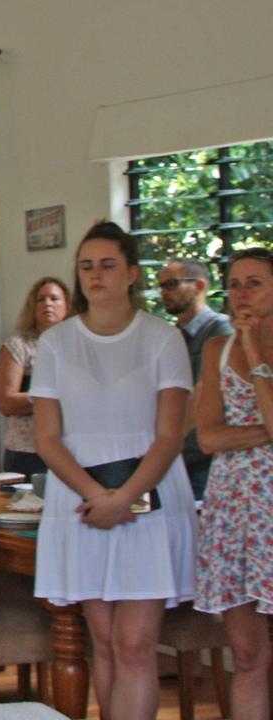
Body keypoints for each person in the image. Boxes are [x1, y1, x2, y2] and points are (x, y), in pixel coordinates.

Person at [31, 221, 196, 720]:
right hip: (78, 499)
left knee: (134, 644)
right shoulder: (57, 342)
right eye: (86, 267)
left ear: (131, 274)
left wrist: (123, 498)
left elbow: (170, 434)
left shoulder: (163, 338)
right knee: (101, 642)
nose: (95, 276)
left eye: (107, 266)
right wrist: (95, 497)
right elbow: (46, 437)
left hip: (150, 496)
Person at [194, 246, 273, 719]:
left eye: (255, 283)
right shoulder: (215, 349)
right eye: (236, 283)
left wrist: (254, 352)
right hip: (233, 513)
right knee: (247, 655)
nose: (242, 293)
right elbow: (208, 436)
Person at [159, 257, 233, 500]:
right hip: (174, 455)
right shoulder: (171, 336)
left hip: (205, 460)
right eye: (161, 286)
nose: (164, 292)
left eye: (171, 284)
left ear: (199, 286)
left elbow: (205, 397)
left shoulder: (220, 331)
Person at [0, 277, 70, 477]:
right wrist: (55, 396)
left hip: (71, 450)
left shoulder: (79, 346)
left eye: (55, 299)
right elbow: (6, 403)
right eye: (41, 299)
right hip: (28, 452)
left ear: (67, 306)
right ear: (32, 307)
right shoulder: (18, 346)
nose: (47, 304)